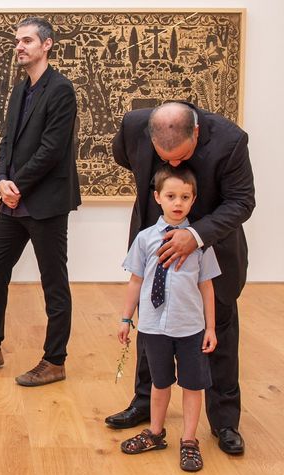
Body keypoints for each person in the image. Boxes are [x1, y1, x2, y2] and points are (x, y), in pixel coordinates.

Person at [105, 101, 255, 456]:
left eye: (181, 156)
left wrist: (196, 234)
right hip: (156, 248)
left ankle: (224, 421)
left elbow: (242, 201)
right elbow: (123, 158)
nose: (173, 164)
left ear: (197, 133)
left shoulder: (230, 141)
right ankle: (145, 402)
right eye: (164, 157)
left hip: (212, 247)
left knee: (218, 332)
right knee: (152, 329)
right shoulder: (133, 127)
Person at [0, 17, 80, 386]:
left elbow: (52, 150)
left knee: (53, 283)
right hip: (14, 201)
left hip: (45, 203)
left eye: (27, 40)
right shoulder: (19, 89)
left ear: (47, 45)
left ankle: (54, 360)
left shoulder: (61, 90)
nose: (20, 46)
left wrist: (16, 183)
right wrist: (1, 179)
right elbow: (7, 141)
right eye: (17, 41)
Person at [118, 165, 220, 472]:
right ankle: (155, 432)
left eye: (185, 197)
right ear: (157, 197)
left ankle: (189, 440)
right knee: (160, 383)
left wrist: (211, 327)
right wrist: (125, 319)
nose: (178, 202)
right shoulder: (146, 239)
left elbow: (207, 285)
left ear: (193, 200)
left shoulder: (199, 242)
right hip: (153, 326)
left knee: (192, 385)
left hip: (190, 328)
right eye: (171, 196)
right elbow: (136, 280)